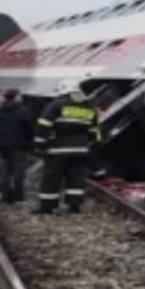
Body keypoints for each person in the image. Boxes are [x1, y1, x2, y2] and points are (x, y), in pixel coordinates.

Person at [34, 80, 99, 214]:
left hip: (57, 150)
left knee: (52, 178)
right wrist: (88, 145)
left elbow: (44, 125)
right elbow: (94, 132)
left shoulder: (56, 105)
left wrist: (40, 144)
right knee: (76, 178)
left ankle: (48, 206)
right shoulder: (88, 107)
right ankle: (74, 206)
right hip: (80, 151)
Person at [0, 89, 33, 203]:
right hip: (19, 146)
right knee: (18, 172)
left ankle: (5, 194)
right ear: (16, 97)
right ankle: (18, 195)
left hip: (2, 146)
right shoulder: (23, 111)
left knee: (4, 172)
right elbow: (29, 128)